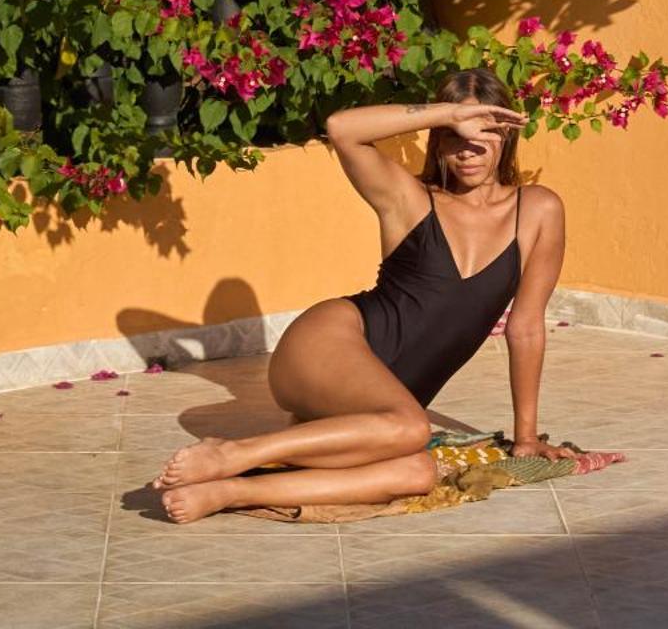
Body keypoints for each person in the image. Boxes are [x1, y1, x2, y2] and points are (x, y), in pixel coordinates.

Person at [156, 66, 569, 522]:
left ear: (506, 134)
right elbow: (342, 128)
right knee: (413, 427)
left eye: (483, 134)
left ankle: (229, 492)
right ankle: (232, 453)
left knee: (416, 473)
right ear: (438, 136)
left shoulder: (537, 210)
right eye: (454, 134)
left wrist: (525, 438)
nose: (467, 149)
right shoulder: (410, 198)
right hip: (330, 342)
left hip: (380, 408)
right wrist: (449, 112)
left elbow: (526, 327)